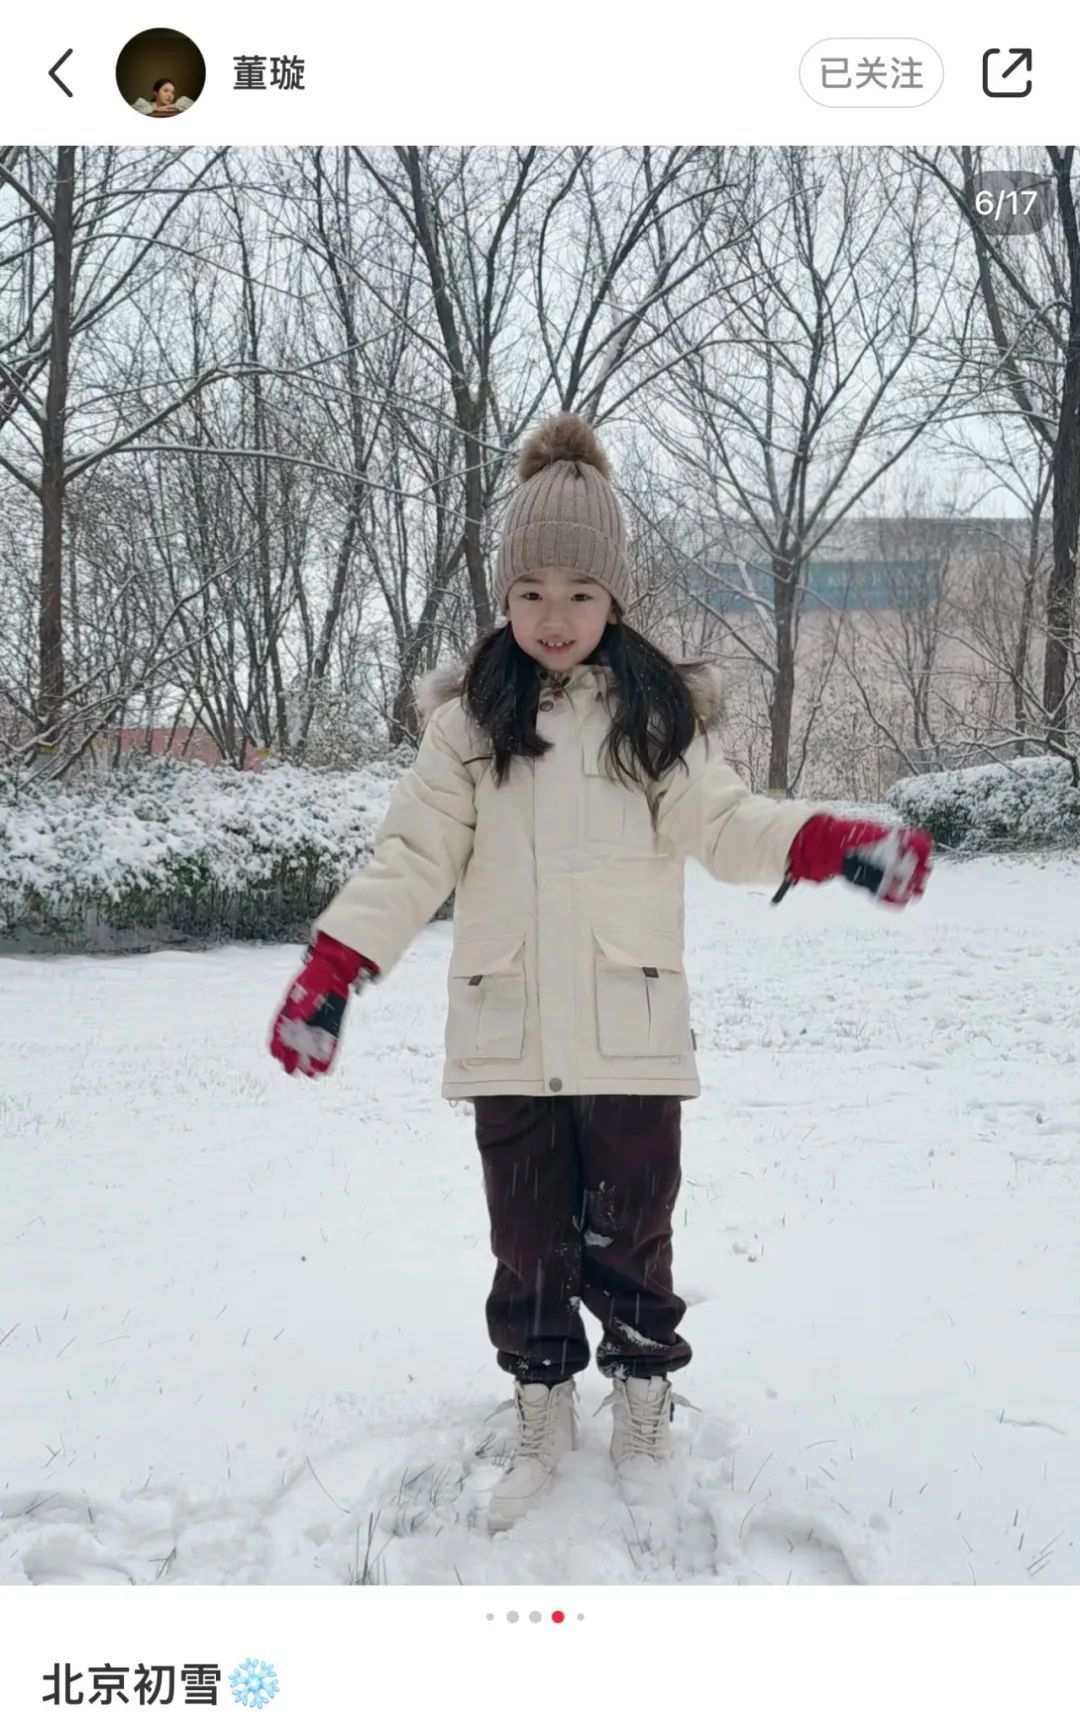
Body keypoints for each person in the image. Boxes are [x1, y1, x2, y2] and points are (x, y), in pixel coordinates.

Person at [268, 413, 932, 1534]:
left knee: (633, 1231)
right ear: (504, 597)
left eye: (580, 591)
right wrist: (334, 964)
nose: (556, 615)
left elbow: (726, 824)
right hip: (509, 1030)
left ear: (614, 597)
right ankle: (541, 1403)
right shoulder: (469, 728)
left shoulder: (654, 718)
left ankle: (640, 1396)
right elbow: (410, 857)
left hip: (631, 1030)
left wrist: (821, 843)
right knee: (526, 1239)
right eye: (531, 591)